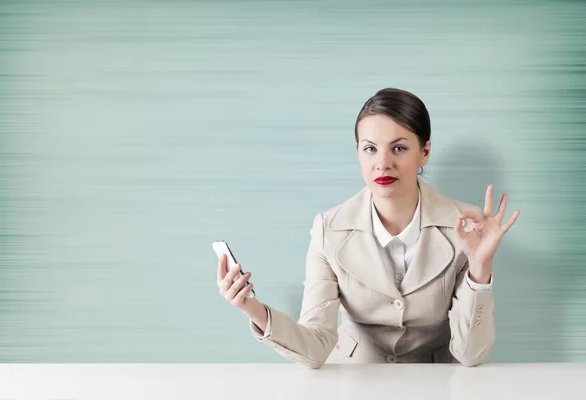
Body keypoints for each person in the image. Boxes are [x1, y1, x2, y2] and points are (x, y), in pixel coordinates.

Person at [216, 88, 520, 368]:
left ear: (425, 151)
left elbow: (471, 354)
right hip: (354, 380)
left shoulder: (466, 225)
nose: (383, 163)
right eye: (370, 149)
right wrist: (252, 308)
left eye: (399, 148)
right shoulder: (328, 229)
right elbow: (315, 345)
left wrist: (480, 270)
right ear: (358, 152)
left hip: (436, 382)